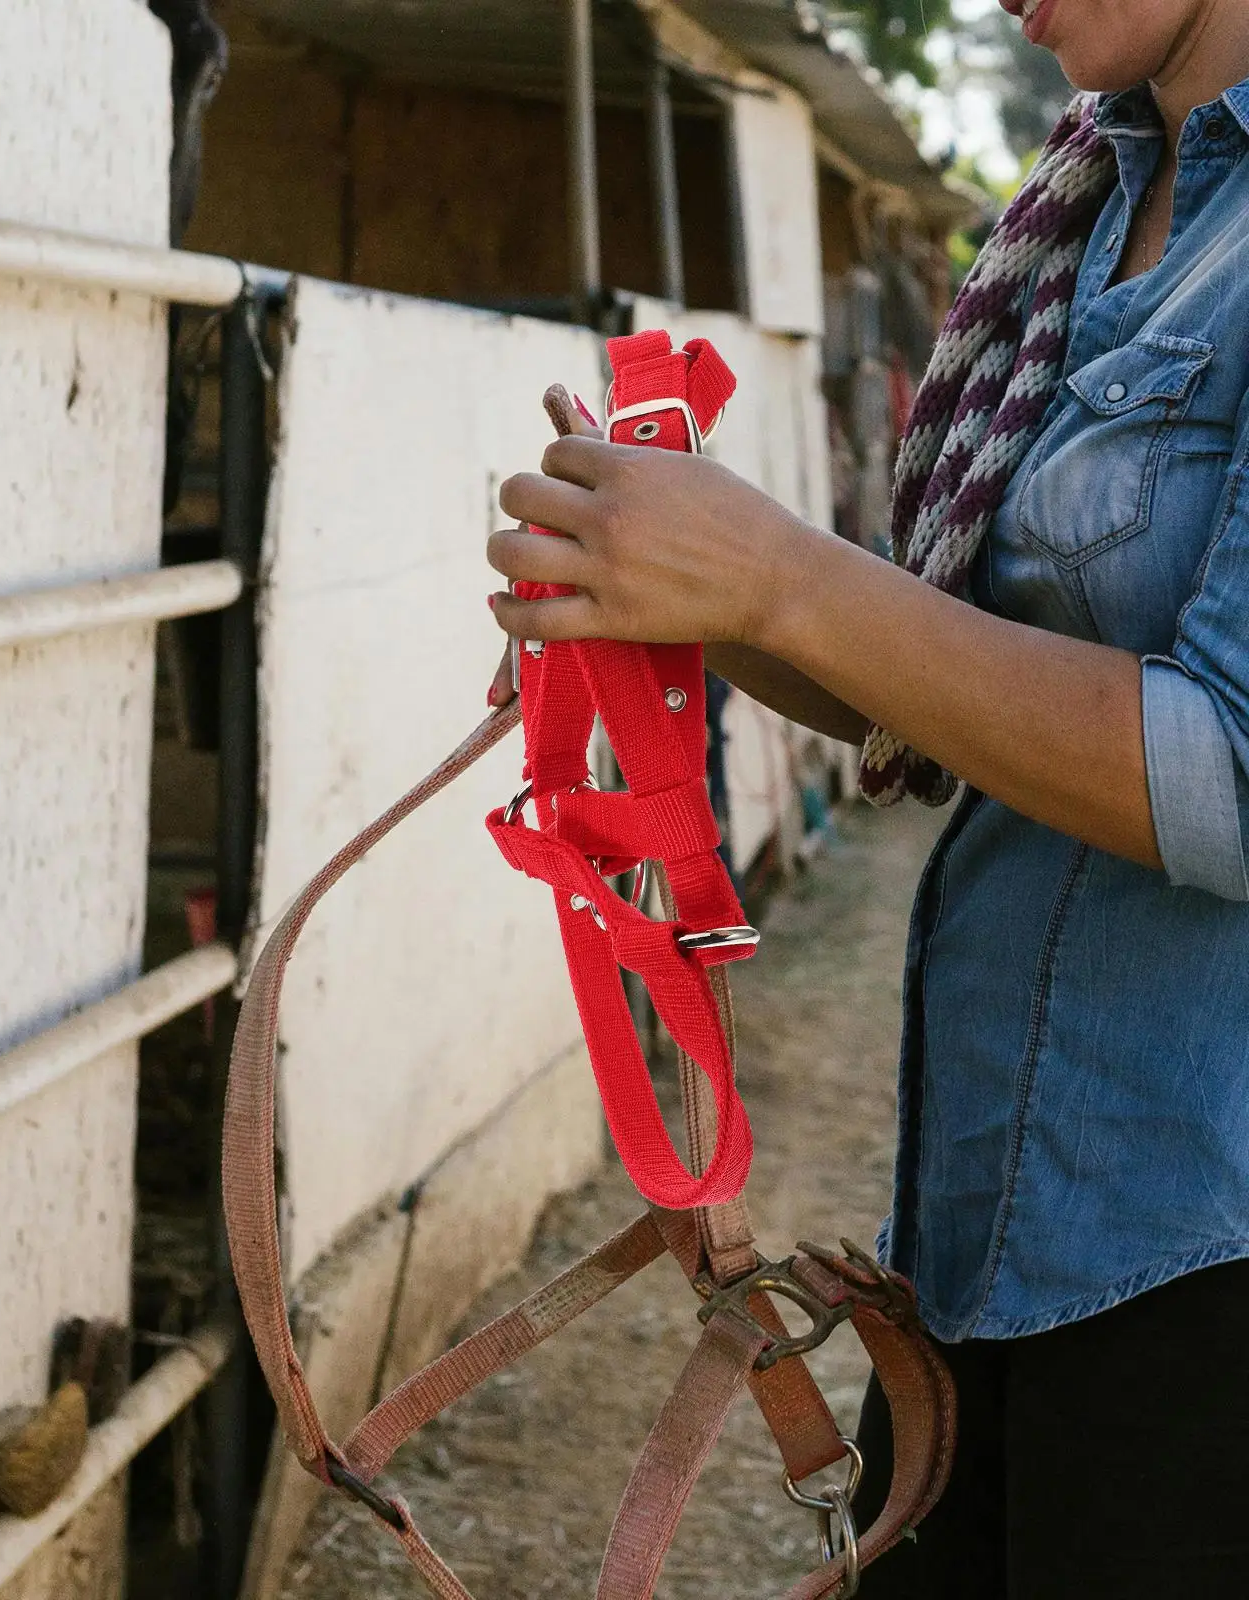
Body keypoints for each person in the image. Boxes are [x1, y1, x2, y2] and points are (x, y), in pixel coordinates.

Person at [485, 1, 1249, 1593]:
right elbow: (964, 672)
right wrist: (674, 589)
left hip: (1209, 1261)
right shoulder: (1098, 203)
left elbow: (1231, 777)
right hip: (1000, 1220)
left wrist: (778, 578)